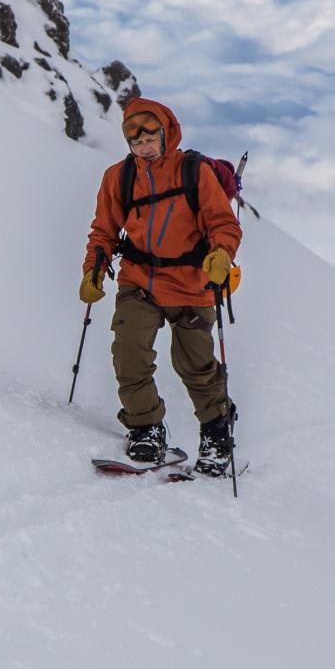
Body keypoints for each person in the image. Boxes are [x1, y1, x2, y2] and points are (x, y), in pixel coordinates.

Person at [80, 98, 243, 475]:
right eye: (136, 142)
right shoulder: (118, 178)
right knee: (129, 352)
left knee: (195, 364)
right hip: (139, 279)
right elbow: (103, 230)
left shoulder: (195, 172)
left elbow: (224, 224)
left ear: (166, 133)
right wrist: (94, 269)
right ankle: (146, 429)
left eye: (150, 137)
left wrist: (222, 253)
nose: (144, 146)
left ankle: (217, 433)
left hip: (191, 282)